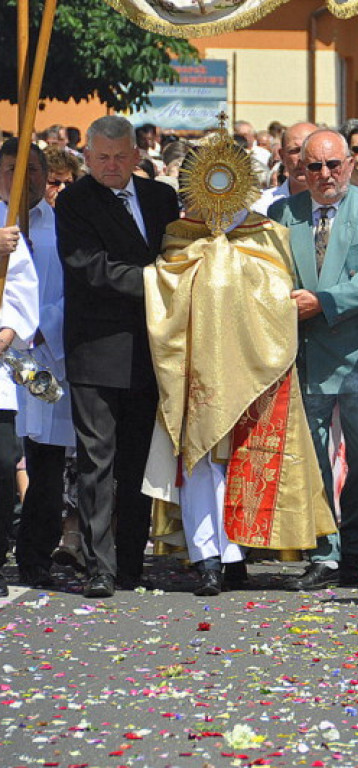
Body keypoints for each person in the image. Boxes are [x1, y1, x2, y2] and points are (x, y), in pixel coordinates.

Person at [142, 130, 335, 596]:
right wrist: (203, 262)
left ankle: (234, 554)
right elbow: (162, 289)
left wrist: (229, 265)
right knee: (199, 462)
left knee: (242, 463)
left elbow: (280, 295)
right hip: (195, 372)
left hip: (252, 370)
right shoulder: (179, 236)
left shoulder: (267, 235)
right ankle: (206, 556)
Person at [268, 129, 358, 589]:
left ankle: (357, 550)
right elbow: (270, 273)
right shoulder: (282, 214)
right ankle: (325, 552)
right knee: (311, 458)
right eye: (314, 166)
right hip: (307, 352)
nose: (325, 175)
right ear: (300, 169)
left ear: (349, 164)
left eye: (333, 165)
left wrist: (322, 301)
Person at [56, 115, 180, 598]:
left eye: (120, 157)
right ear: (87, 157)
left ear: (136, 156)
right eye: (102, 157)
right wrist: (158, 281)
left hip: (151, 349)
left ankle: (131, 562)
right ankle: (99, 566)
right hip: (96, 350)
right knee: (96, 464)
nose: (111, 165)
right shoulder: (75, 201)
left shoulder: (160, 197)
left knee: (137, 464)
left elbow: (180, 252)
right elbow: (88, 266)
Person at [0, 140, 46, 594]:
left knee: (4, 461)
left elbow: (22, 286)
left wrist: (10, 329)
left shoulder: (8, 219)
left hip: (7, 360)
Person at [252, 122, 317, 215]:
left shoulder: (337, 206)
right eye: (295, 150)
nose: (302, 158)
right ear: (282, 156)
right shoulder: (261, 206)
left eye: (309, 150)